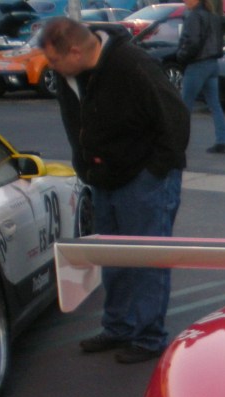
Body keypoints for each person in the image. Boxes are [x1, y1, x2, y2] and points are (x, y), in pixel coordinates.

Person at [40, 17, 189, 364]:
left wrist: (156, 172)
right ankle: (118, 326)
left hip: (144, 178)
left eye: (54, 60)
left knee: (147, 260)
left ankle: (149, 336)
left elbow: (176, 118)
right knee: (113, 258)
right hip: (103, 176)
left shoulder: (132, 65)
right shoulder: (71, 76)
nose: (50, 69)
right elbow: (76, 123)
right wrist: (85, 167)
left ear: (75, 51)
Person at [178, 0, 225, 154]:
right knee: (215, 105)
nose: (185, 1)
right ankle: (223, 141)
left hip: (197, 64)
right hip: (212, 63)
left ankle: (178, 143)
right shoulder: (212, 16)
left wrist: (181, 55)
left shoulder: (194, 16)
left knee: (183, 106)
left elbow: (192, 42)